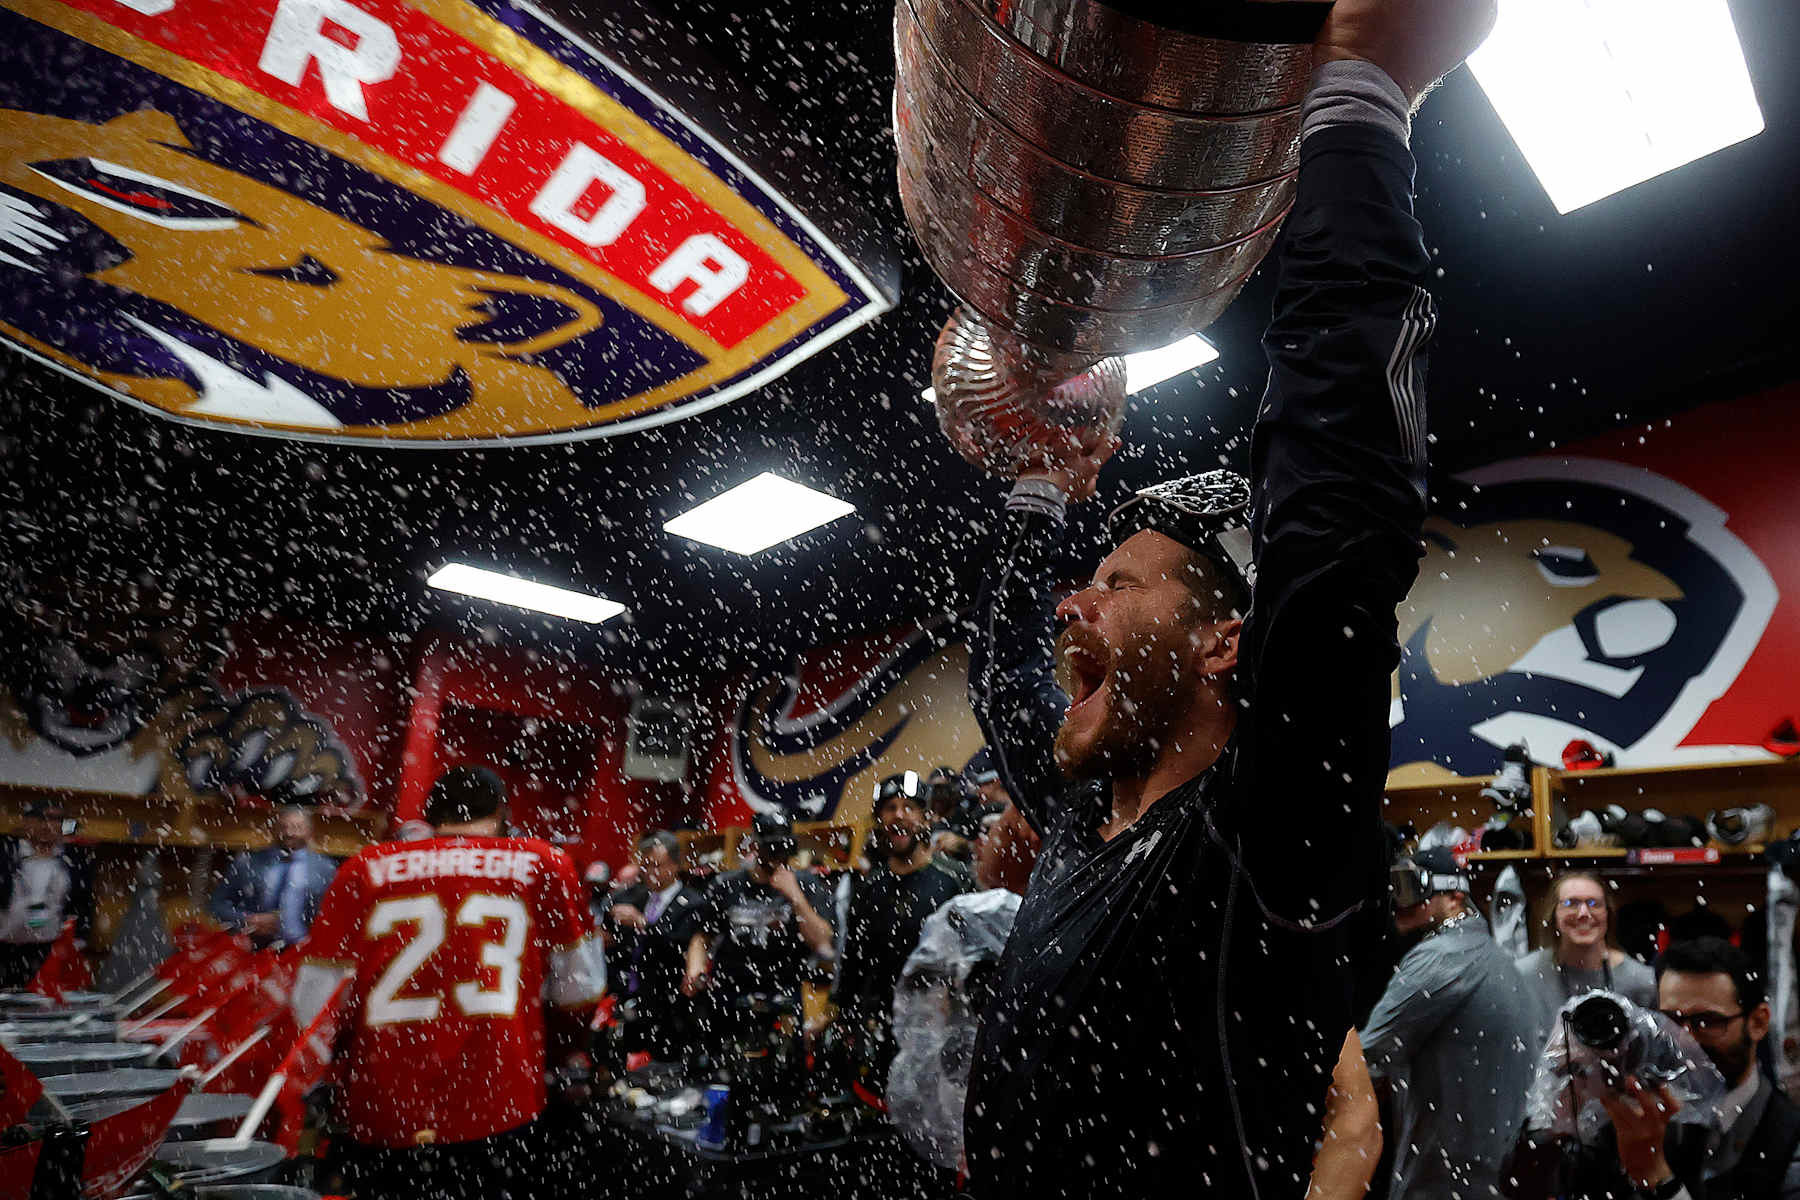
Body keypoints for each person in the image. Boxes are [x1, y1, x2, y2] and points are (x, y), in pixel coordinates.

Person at [958, 0, 1496, 1193]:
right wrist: (1044, 480)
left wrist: (1362, 97)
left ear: (1221, 644)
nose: (1072, 608)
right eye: (1082, 585)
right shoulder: (1078, 822)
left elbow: (1336, 510)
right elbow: (1000, 668)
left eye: (1119, 584)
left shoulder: (1263, 846)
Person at [292, 766, 605, 1200]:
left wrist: (339, 1073)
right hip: (499, 1098)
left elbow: (313, 1002)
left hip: (384, 1102)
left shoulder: (364, 867)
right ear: (501, 812)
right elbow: (581, 989)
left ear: (431, 814)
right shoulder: (543, 864)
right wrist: (550, 1048)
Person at [1361, 848, 1537, 1200]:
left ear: (1455, 895)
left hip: (1442, 1180)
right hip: (1483, 1174)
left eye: (1410, 887)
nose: (1399, 901)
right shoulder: (1497, 960)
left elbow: (1367, 1056)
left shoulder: (1442, 956)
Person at [1602, 937, 1800, 1200]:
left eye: (1706, 1021)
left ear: (1758, 1022)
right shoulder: (1642, 1114)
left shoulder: (1790, 1141)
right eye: (1670, 1020)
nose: (1684, 1040)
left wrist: (1659, 1181)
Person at [834, 772, 973, 1091]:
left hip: (942, 1036)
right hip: (882, 1035)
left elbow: (975, 957)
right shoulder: (868, 890)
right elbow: (854, 964)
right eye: (890, 807)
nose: (899, 815)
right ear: (879, 819)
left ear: (927, 817)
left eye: (909, 807)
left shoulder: (955, 881)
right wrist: (844, 1017)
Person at [683, 810, 834, 1048]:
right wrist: (695, 969)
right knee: (725, 1069)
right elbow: (702, 936)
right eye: (771, 848)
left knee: (784, 1076)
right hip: (731, 993)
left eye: (783, 849)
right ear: (755, 846)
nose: (777, 857)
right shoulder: (726, 884)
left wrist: (795, 896)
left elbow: (823, 943)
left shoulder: (807, 885)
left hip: (783, 995)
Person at [1517, 870, 1657, 1045]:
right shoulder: (1523, 975)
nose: (1584, 913)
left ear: (1608, 913)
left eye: (1594, 903)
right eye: (1571, 903)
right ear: (1554, 914)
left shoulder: (1641, 981)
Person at [606, 831, 705, 1060]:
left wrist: (642, 923)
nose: (651, 873)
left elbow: (677, 946)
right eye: (646, 865)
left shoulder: (692, 902)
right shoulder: (637, 896)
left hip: (670, 1004)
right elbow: (610, 925)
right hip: (631, 998)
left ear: (677, 864)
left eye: (657, 865)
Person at [209, 804, 338, 948]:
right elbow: (217, 905)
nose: (289, 833)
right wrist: (249, 920)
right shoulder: (248, 862)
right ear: (273, 829)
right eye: (284, 827)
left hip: (302, 950)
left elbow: (335, 914)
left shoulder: (326, 868)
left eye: (297, 827)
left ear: (309, 832)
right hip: (251, 948)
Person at [0, 799, 93, 988]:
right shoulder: (6, 851)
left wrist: (78, 940)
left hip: (47, 949)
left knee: (39, 1005)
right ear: (26, 822)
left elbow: (83, 901)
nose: (48, 825)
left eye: (56, 819)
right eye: (41, 819)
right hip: (4, 945)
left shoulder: (74, 858)